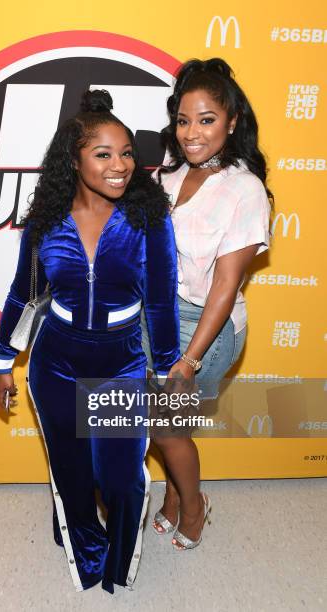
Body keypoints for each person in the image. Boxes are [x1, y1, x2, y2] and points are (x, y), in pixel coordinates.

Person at [0, 90, 181, 593]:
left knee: (119, 476)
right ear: (73, 161)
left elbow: (161, 302)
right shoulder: (45, 223)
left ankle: (116, 559)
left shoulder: (149, 219)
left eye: (125, 153)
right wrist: (2, 359)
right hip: (55, 362)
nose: (120, 165)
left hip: (120, 361)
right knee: (72, 472)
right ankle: (84, 549)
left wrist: (164, 371)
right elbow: (23, 294)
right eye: (103, 154)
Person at [141, 58, 272, 550]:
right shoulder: (169, 175)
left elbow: (225, 283)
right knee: (158, 426)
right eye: (183, 120)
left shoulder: (244, 189)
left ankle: (193, 508)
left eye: (207, 119)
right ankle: (174, 498)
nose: (191, 133)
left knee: (166, 427)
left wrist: (189, 359)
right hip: (158, 315)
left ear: (232, 121)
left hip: (207, 327)